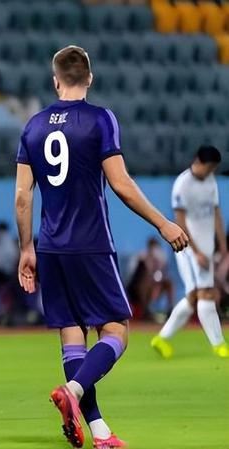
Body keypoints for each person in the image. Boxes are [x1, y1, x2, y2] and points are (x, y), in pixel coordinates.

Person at [14, 45, 188, 449]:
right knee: (116, 331)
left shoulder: (33, 126)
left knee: (72, 335)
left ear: (55, 81)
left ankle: (99, 431)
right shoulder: (100, 119)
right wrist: (163, 223)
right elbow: (121, 184)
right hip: (90, 243)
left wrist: (26, 249)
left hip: (50, 246)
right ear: (89, 78)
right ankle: (72, 392)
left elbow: (23, 196)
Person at [151, 145, 228, 358]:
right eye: (209, 167)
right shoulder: (182, 184)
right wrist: (197, 253)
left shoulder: (210, 181)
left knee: (193, 296)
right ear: (198, 162)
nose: (211, 172)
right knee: (206, 292)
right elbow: (180, 222)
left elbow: (216, 213)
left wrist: (222, 244)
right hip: (188, 247)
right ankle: (219, 345)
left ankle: (162, 338)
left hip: (206, 247)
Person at [126, 237, 174, 320]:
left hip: (154, 285)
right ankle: (145, 311)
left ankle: (170, 310)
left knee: (169, 283)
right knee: (145, 284)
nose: (155, 250)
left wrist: (157, 284)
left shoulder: (160, 258)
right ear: (149, 247)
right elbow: (132, 276)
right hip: (135, 288)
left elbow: (160, 275)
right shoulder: (141, 257)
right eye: (153, 247)